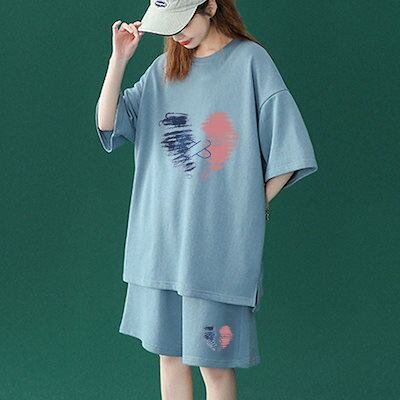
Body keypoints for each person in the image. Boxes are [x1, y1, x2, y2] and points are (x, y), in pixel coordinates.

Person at [94, 0, 318, 398]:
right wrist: (119, 59)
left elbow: (289, 147)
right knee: (169, 358)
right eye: (169, 25)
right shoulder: (163, 70)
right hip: (160, 245)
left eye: (182, 21)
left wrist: (255, 204)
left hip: (217, 252)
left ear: (210, 6)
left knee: (214, 365)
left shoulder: (251, 62)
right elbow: (108, 123)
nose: (177, 33)